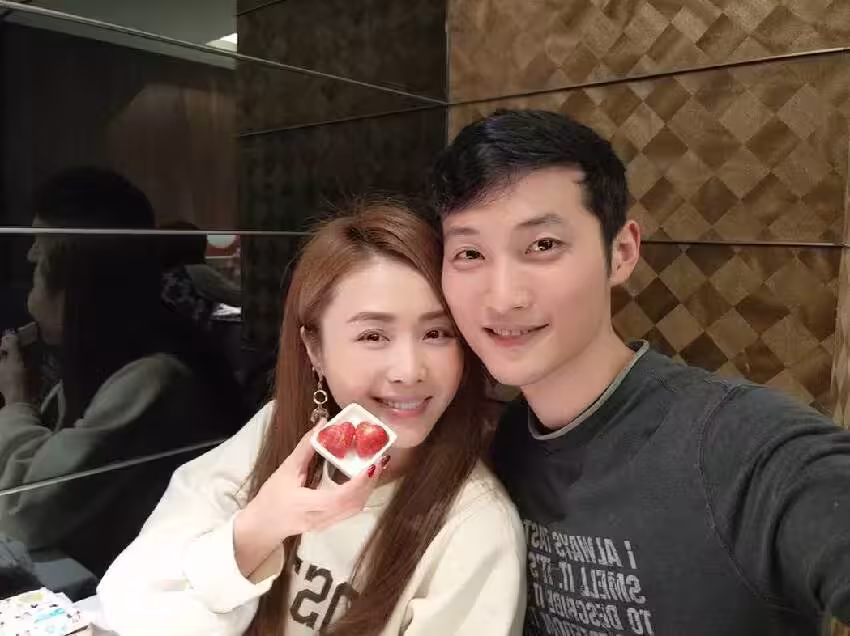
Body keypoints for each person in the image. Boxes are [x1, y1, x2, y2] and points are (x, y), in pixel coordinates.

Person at [430, 109, 850, 635]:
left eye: (543, 246)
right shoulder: (507, 445)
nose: (503, 297)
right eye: (470, 253)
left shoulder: (742, 447)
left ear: (622, 252)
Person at [96, 197, 526, 635]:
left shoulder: (475, 528)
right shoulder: (276, 433)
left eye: (436, 333)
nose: (409, 370)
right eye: (373, 335)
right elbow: (130, 602)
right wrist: (259, 529)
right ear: (315, 349)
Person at [0, 167, 246, 575]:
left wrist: (15, 402)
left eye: (39, 260)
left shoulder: (152, 378)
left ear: (79, 278)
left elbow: (26, 511)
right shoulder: (110, 353)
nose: (29, 260)